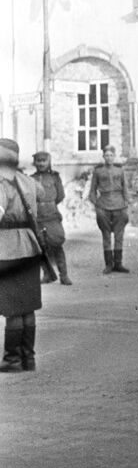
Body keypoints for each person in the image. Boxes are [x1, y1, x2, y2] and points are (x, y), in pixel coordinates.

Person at [0, 138, 43, 373]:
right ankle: (29, 359)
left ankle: (12, 360)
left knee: (13, 306)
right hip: (30, 244)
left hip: (7, 247)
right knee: (27, 306)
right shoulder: (28, 181)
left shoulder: (1, 184)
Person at [32, 151, 72, 286]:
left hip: (52, 216)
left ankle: (64, 275)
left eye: (44, 160)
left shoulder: (54, 177)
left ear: (48, 162)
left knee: (57, 243)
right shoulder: (31, 179)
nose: (41, 163)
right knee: (40, 246)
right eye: (38, 160)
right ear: (35, 163)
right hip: (37, 217)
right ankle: (47, 274)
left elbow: (60, 196)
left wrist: (49, 205)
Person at [89, 144, 130, 275]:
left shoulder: (120, 171)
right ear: (103, 156)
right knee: (106, 236)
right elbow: (92, 191)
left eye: (111, 155)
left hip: (119, 205)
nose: (109, 157)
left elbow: (125, 189)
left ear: (114, 156)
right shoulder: (98, 171)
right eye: (106, 155)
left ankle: (118, 264)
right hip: (104, 205)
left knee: (119, 235)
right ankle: (108, 265)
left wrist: (125, 203)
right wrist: (97, 205)